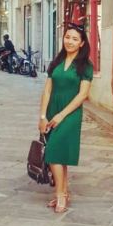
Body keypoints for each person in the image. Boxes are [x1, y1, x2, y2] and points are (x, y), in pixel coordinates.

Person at [38, 23, 93, 213]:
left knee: (53, 152)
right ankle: (64, 192)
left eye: (75, 39)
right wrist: (43, 116)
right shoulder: (56, 62)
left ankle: (60, 195)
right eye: (67, 37)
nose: (70, 41)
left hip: (70, 113)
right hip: (52, 110)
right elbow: (47, 90)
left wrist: (62, 115)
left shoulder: (85, 66)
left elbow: (83, 95)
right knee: (59, 154)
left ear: (82, 43)